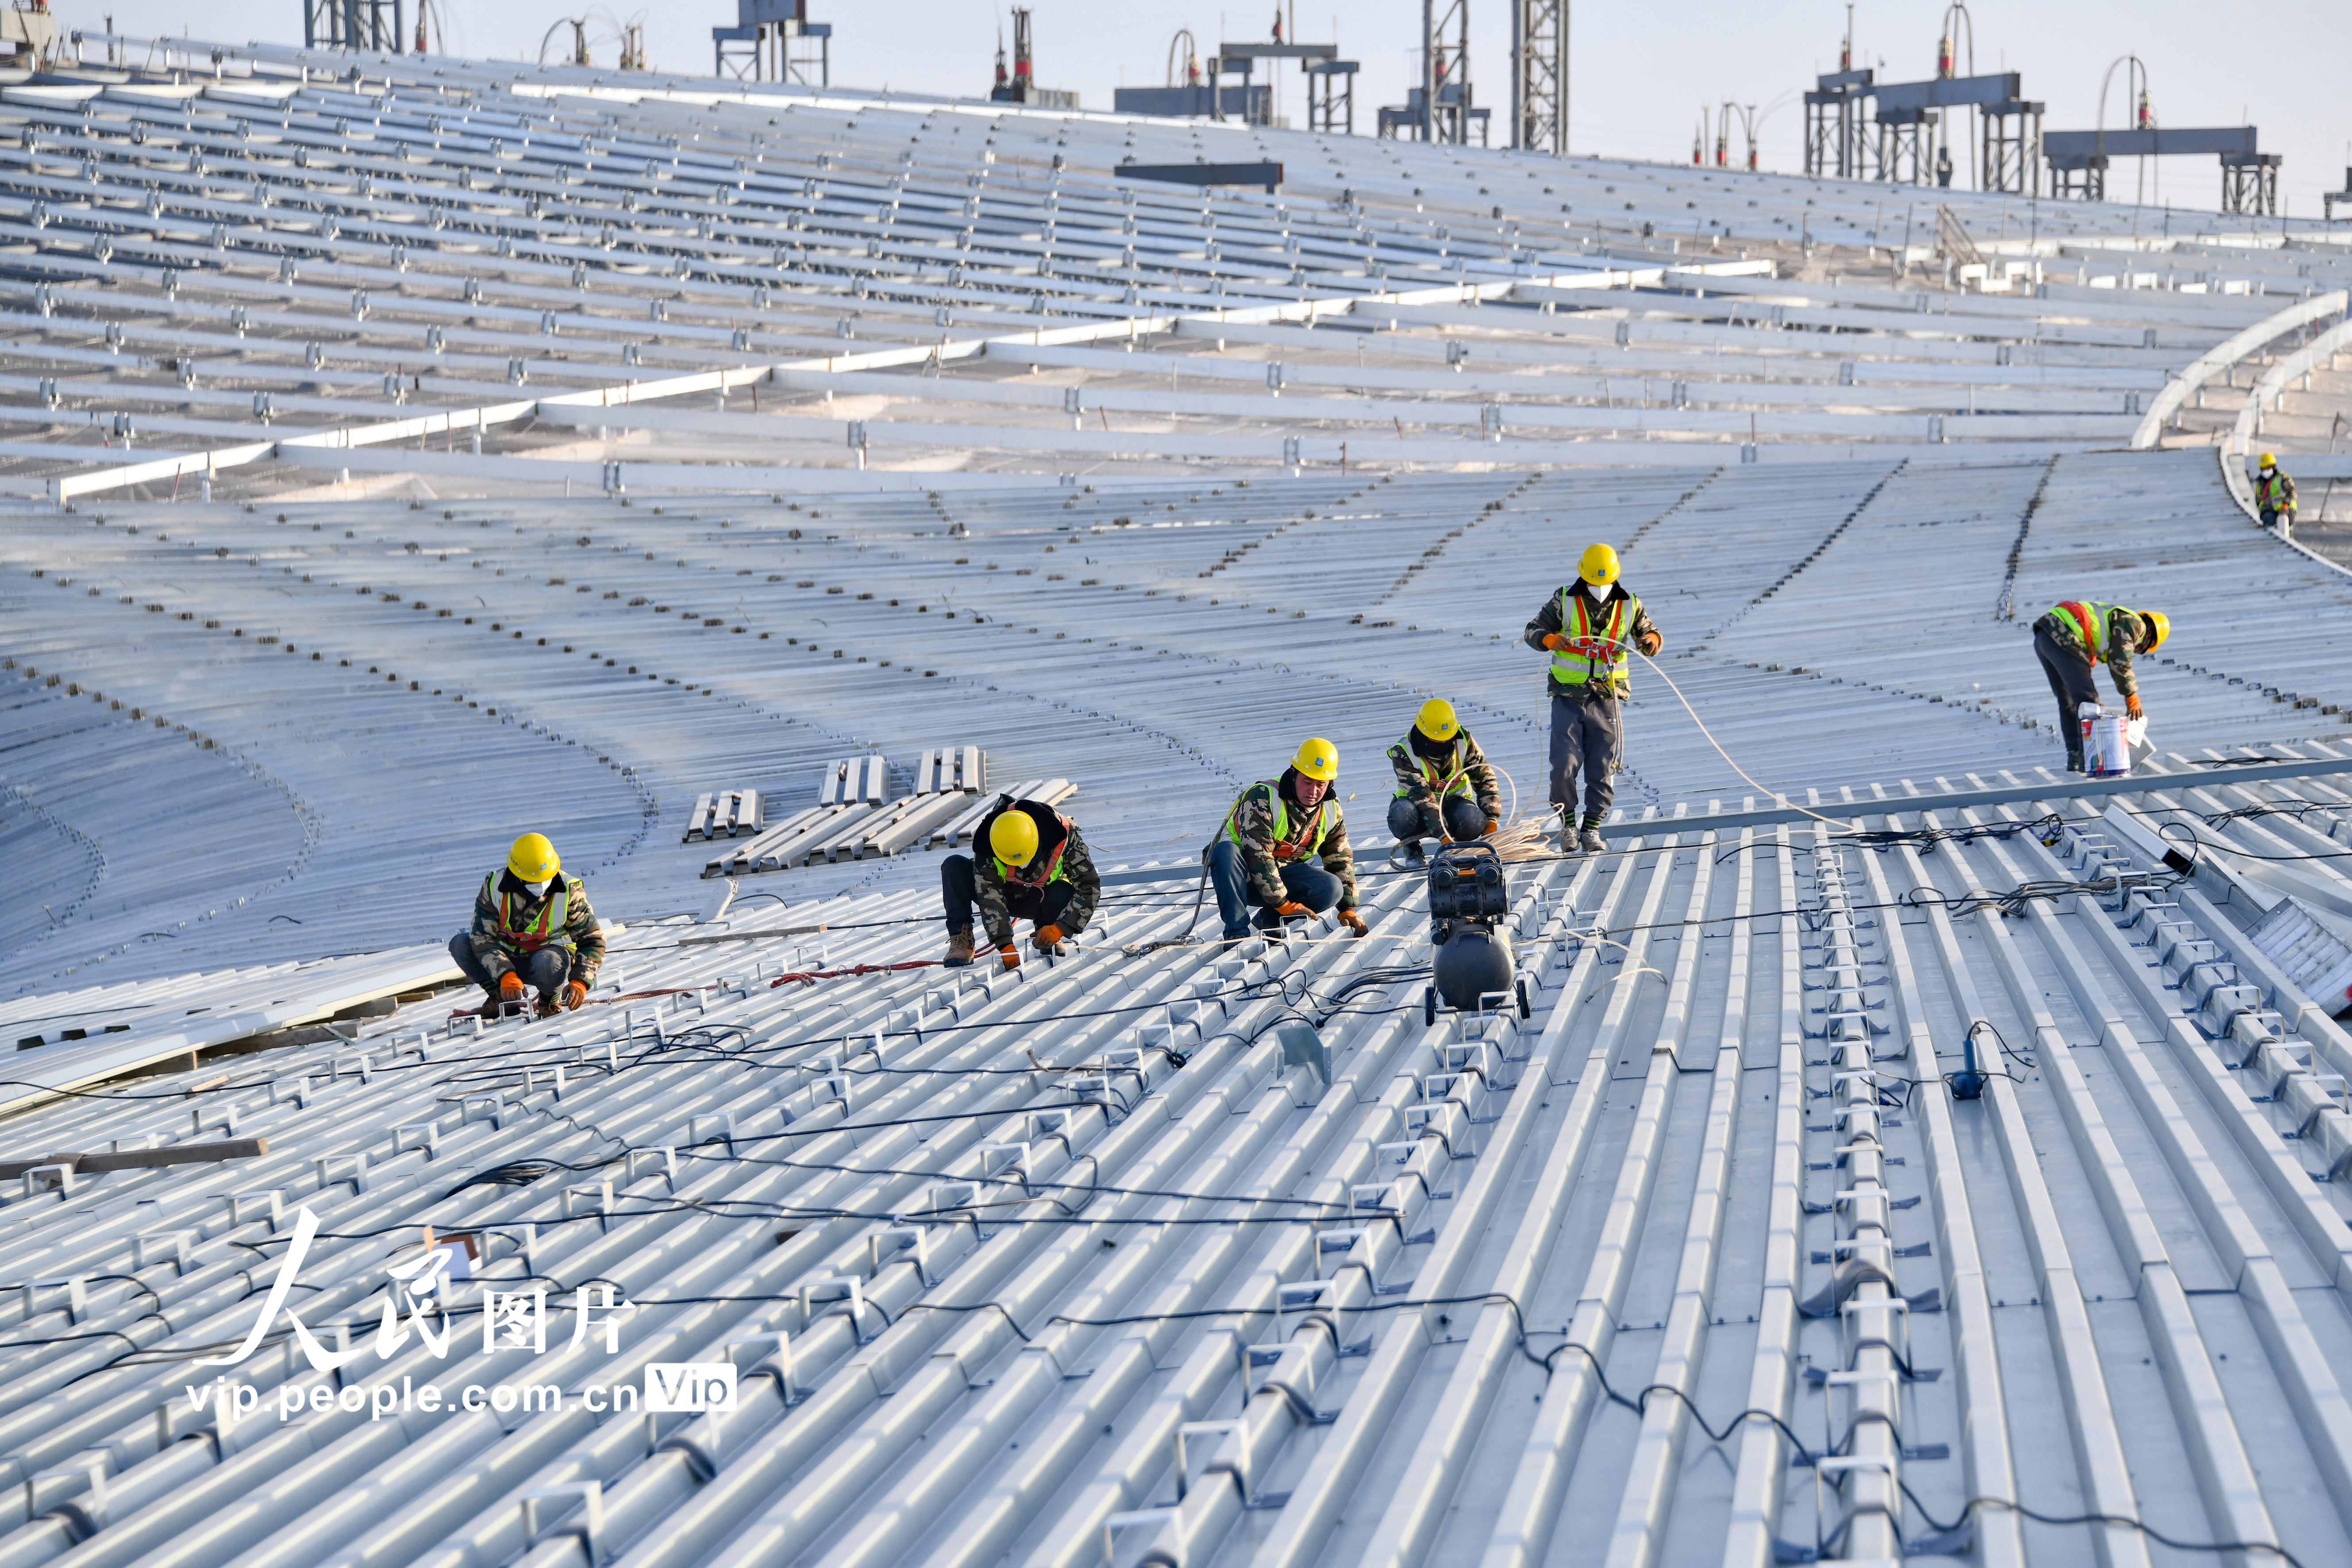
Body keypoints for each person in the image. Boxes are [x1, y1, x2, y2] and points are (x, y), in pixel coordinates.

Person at [1524, 543, 1662, 854]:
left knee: (1602, 766)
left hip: (1606, 698)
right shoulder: (1565, 599)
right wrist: (1549, 638)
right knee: (1564, 764)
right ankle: (1568, 825)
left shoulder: (1629, 604)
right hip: (1567, 696)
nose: (1599, 588)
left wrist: (1649, 642)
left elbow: (1651, 633)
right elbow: (1532, 629)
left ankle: (1592, 827)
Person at [1209, 737, 1368, 942]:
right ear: (1294, 775)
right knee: (1226, 852)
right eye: (1307, 782)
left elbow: (1339, 857)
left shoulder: (1331, 808)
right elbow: (1259, 857)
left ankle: (1269, 921)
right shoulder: (1262, 797)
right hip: (1243, 878)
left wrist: (1348, 909)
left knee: (1332, 888)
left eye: (1321, 784)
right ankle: (1236, 933)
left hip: (1285, 875)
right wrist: (1283, 903)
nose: (1313, 792)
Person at [450, 832, 603, 1019]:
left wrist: (581, 981)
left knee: (549, 962)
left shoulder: (569, 891)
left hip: (549, 962)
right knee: (461, 944)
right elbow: (482, 936)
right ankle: (503, 998)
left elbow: (592, 940)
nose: (541, 884)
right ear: (517, 874)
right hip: (507, 958)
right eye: (534, 881)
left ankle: (550, 1001)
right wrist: (504, 975)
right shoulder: (494, 887)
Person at [942, 796, 1101, 968]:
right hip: (1005, 896)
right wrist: (1005, 945)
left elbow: (1089, 886)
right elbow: (990, 896)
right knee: (954, 866)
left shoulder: (1064, 836)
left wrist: (1061, 927)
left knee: (1063, 891)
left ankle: (1047, 931)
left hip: (1042, 898)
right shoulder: (988, 841)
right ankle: (961, 939)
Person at [2032, 599, 2170, 772]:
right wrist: (2131, 695)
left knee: (2068, 700)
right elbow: (2120, 661)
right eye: (2141, 649)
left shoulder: (2115, 616)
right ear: (2150, 639)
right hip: (2064, 636)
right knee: (2088, 703)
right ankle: (2088, 762)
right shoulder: (2135, 625)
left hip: (2044, 636)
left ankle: (2075, 757)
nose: (2136, 650)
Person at [1387, 697, 1500, 865]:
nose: (1442, 742)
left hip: (1454, 803)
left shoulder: (1463, 739)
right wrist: (1443, 837)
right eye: (1436, 740)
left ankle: (1459, 849)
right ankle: (1412, 847)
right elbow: (1423, 797)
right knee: (1402, 816)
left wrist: (1492, 817)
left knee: (1474, 821)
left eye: (1446, 738)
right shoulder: (1404, 752)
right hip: (1417, 807)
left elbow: (1484, 776)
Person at [2256, 453, 2298, 537]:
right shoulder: (2260, 483)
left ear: (2274, 467)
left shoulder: (2282, 477)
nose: (2266, 471)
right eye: (2264, 468)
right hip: (2269, 510)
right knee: (2270, 525)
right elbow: (2258, 500)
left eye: (2269, 468)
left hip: (2286, 508)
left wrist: (2286, 504)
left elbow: (2292, 492)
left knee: (2286, 528)